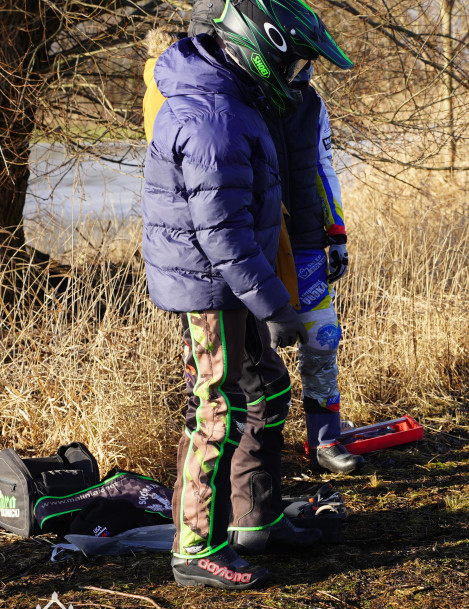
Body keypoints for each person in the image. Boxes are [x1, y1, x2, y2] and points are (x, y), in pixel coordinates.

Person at [142, 0, 353, 588]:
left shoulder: (235, 98)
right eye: (293, 66)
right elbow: (224, 233)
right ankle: (195, 549)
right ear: (263, 51)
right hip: (210, 285)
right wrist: (274, 307)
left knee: (266, 388)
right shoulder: (215, 117)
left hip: (230, 279)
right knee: (219, 406)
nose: (296, 81)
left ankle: (252, 521)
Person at [186, 0, 365, 478]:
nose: (302, 70)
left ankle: (325, 439)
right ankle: (251, 459)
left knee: (323, 337)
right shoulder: (242, 97)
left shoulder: (312, 104)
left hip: (307, 237)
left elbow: (325, 167)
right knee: (249, 356)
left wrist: (338, 231)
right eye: (297, 59)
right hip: (260, 242)